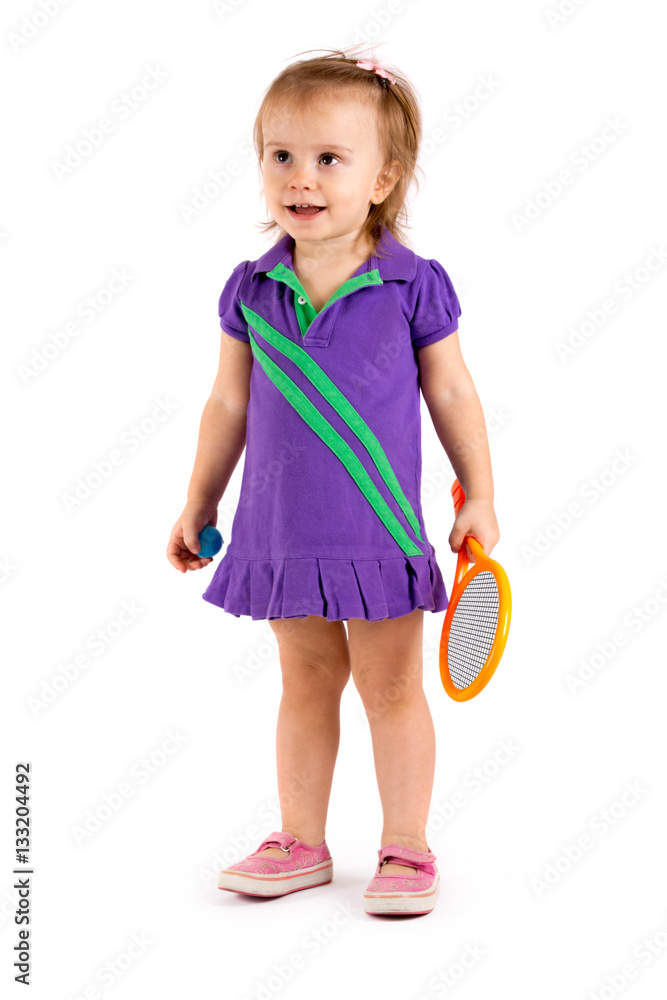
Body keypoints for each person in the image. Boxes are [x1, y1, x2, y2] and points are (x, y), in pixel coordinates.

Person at [166, 46, 500, 917]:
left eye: (328, 158)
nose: (299, 177)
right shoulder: (250, 289)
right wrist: (200, 500)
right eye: (280, 155)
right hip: (280, 533)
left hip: (376, 533)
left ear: (382, 179)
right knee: (305, 683)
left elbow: (452, 392)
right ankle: (300, 841)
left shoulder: (412, 285)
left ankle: (407, 845)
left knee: (391, 689)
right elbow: (227, 403)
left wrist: (479, 493)